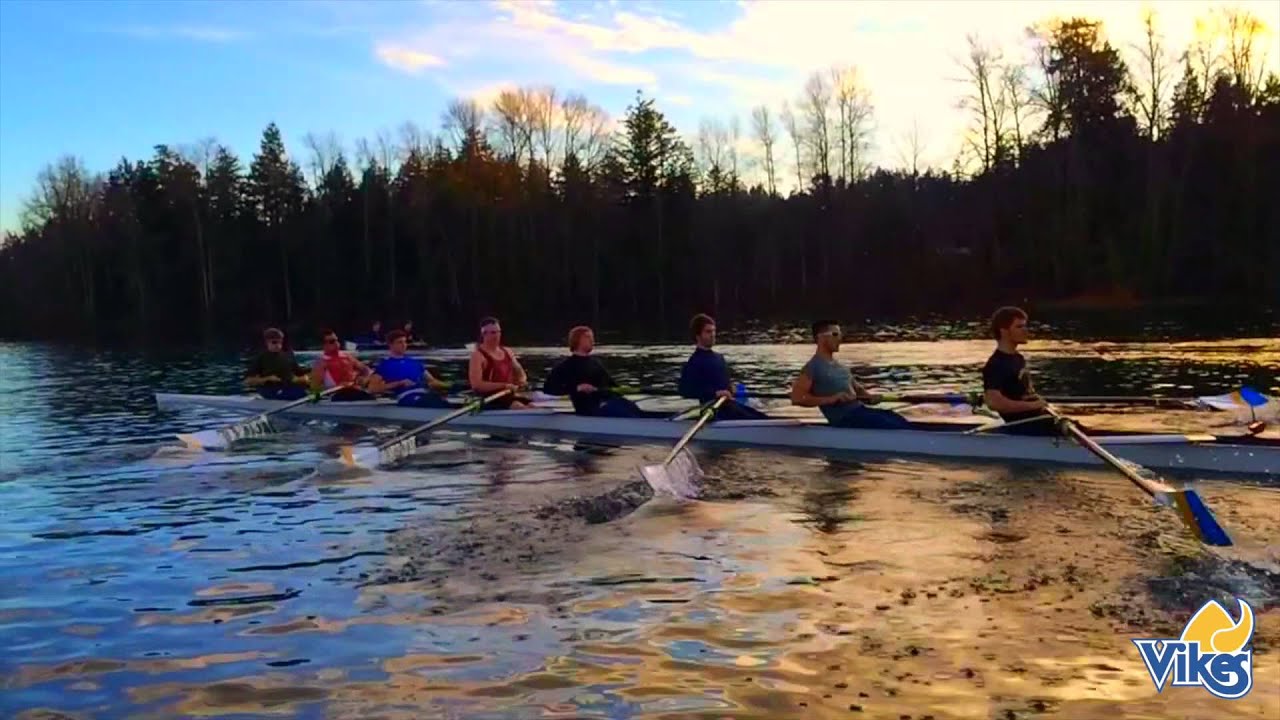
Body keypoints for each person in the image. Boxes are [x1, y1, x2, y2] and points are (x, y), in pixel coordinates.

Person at [789, 320, 912, 429]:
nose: (840, 338)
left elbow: (858, 390)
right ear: (821, 338)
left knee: (895, 418)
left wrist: (870, 397)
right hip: (844, 419)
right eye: (835, 334)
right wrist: (831, 399)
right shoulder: (813, 367)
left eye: (840, 334)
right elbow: (797, 398)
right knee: (892, 425)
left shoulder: (841, 367)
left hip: (860, 411)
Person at [982, 306, 1060, 435]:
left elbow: (1024, 393)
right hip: (1025, 428)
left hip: (1039, 421)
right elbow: (994, 402)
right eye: (1019, 327)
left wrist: (1036, 400)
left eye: (1025, 326)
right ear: (1004, 331)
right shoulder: (996, 365)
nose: (1025, 330)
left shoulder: (1018, 358)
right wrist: (1033, 405)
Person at [677, 313, 768, 421]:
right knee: (758, 419)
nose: (713, 335)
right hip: (713, 411)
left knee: (763, 417)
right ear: (698, 336)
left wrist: (731, 388)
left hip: (729, 406)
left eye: (714, 331)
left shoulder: (719, 358)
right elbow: (685, 390)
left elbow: (723, 384)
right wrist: (715, 393)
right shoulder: (695, 362)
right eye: (708, 332)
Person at [542, 326, 644, 417]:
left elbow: (612, 386)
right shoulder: (566, 366)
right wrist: (577, 388)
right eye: (588, 337)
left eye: (592, 337)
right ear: (577, 340)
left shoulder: (595, 364)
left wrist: (623, 389)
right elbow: (548, 389)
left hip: (605, 404)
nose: (592, 341)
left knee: (629, 406)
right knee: (623, 409)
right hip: (587, 410)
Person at [367, 329, 454, 408]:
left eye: (405, 342)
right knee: (434, 402)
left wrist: (450, 385)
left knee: (443, 401)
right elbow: (372, 389)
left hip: (425, 395)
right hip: (407, 398)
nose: (404, 345)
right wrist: (398, 383)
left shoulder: (415, 362)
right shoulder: (384, 366)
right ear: (391, 345)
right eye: (399, 342)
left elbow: (432, 381)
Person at [468, 316, 531, 410]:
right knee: (518, 406)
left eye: (498, 332)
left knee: (533, 404)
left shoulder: (507, 351)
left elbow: (520, 373)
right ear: (484, 334)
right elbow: (477, 385)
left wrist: (521, 381)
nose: (497, 335)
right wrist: (504, 385)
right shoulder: (478, 356)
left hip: (507, 395)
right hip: (489, 398)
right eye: (493, 333)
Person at [245, 327, 310, 400]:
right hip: (271, 389)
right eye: (274, 342)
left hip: (289, 386)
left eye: (280, 342)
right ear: (267, 342)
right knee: (302, 393)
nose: (278, 345)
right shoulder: (261, 357)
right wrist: (267, 379)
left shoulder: (288, 355)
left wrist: (306, 377)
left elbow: (299, 372)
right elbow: (248, 380)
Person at [310, 328, 373, 401]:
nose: (336, 343)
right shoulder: (321, 363)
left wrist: (364, 379)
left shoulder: (347, 357)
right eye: (332, 341)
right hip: (336, 395)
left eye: (337, 340)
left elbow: (367, 371)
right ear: (324, 345)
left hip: (355, 391)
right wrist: (336, 387)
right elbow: (314, 389)